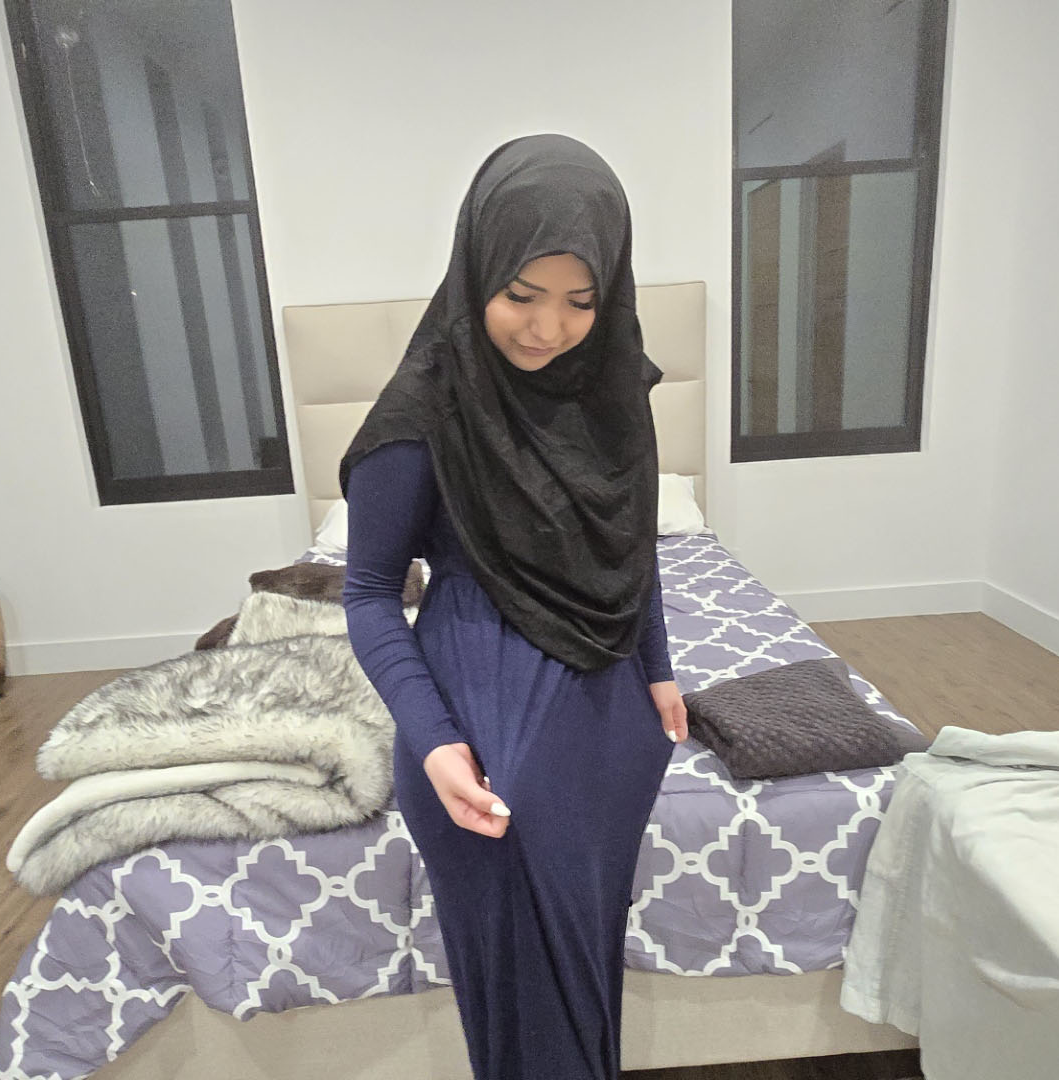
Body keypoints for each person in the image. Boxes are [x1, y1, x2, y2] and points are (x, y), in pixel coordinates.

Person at [339, 133, 685, 1080]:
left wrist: (657, 667)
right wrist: (434, 741)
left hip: (611, 719)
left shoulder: (615, 386)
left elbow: (629, 538)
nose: (547, 329)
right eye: (521, 294)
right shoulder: (423, 412)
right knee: (521, 987)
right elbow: (368, 594)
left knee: (583, 962)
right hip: (480, 724)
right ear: (477, 269)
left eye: (581, 301)